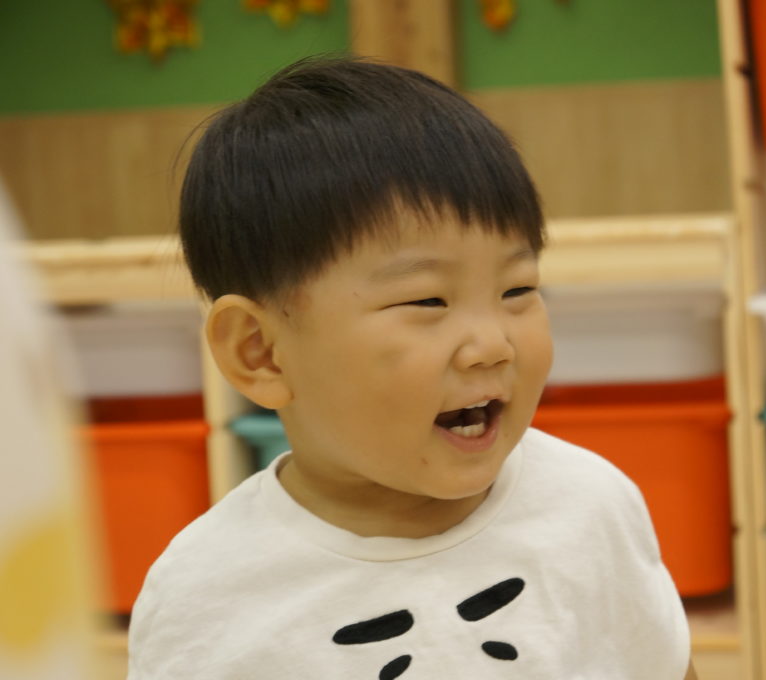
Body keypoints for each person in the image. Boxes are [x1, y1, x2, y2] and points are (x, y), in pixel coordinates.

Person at [127, 55, 694, 679]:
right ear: (259, 352)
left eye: (517, 289)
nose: (493, 345)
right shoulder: (207, 596)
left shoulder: (589, 505)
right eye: (427, 300)